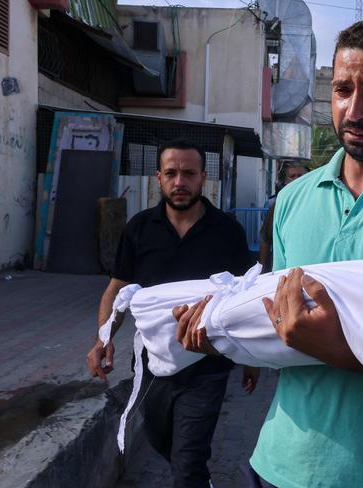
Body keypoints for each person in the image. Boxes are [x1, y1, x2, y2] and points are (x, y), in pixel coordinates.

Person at [176, 18, 363, 487]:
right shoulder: (294, 199)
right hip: (278, 462)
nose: (354, 110)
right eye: (343, 89)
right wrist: (221, 333)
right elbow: (277, 317)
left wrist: (333, 345)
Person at [86, 139, 258, 488]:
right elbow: (117, 288)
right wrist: (103, 339)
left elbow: (248, 294)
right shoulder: (139, 228)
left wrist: (252, 355)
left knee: (188, 459)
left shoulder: (227, 230)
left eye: (189, 174)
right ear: (159, 178)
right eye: (171, 173)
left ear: (203, 178)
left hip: (206, 362)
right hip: (153, 364)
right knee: (160, 438)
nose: (180, 182)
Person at [259, 162, 308, 272]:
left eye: (300, 176)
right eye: (292, 176)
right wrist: (261, 271)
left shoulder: (318, 202)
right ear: (285, 181)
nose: (297, 180)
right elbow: (266, 240)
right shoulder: (278, 205)